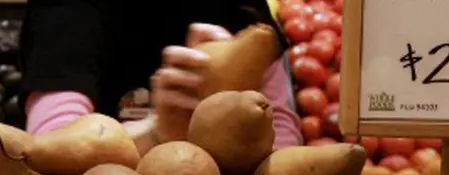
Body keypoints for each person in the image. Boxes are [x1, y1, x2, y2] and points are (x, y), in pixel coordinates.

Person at [18, 0, 303, 155]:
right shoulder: (66, 11)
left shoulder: (241, 10)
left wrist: (240, 121)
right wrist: (157, 133)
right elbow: (48, 148)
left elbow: (285, 148)